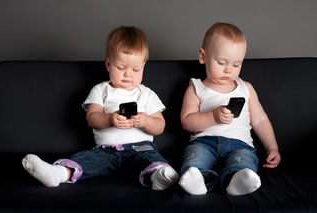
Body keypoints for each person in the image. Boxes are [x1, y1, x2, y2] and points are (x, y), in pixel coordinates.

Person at [22, 26, 178, 190]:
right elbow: (92, 118)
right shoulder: (101, 90)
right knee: (87, 160)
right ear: (108, 64)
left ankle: (160, 176)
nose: (128, 74)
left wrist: (146, 121)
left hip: (140, 148)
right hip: (106, 151)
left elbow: (160, 126)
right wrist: (110, 119)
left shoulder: (147, 94)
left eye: (136, 69)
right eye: (120, 67)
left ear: (143, 66)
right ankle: (58, 173)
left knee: (150, 160)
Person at [178, 23, 281, 196]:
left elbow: (260, 119)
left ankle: (237, 180)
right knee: (194, 156)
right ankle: (197, 180)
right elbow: (187, 122)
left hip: (239, 144)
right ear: (203, 56)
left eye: (236, 64)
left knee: (244, 159)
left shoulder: (246, 88)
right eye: (221, 62)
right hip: (204, 142)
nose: (228, 70)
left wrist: (273, 148)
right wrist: (213, 116)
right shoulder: (196, 88)